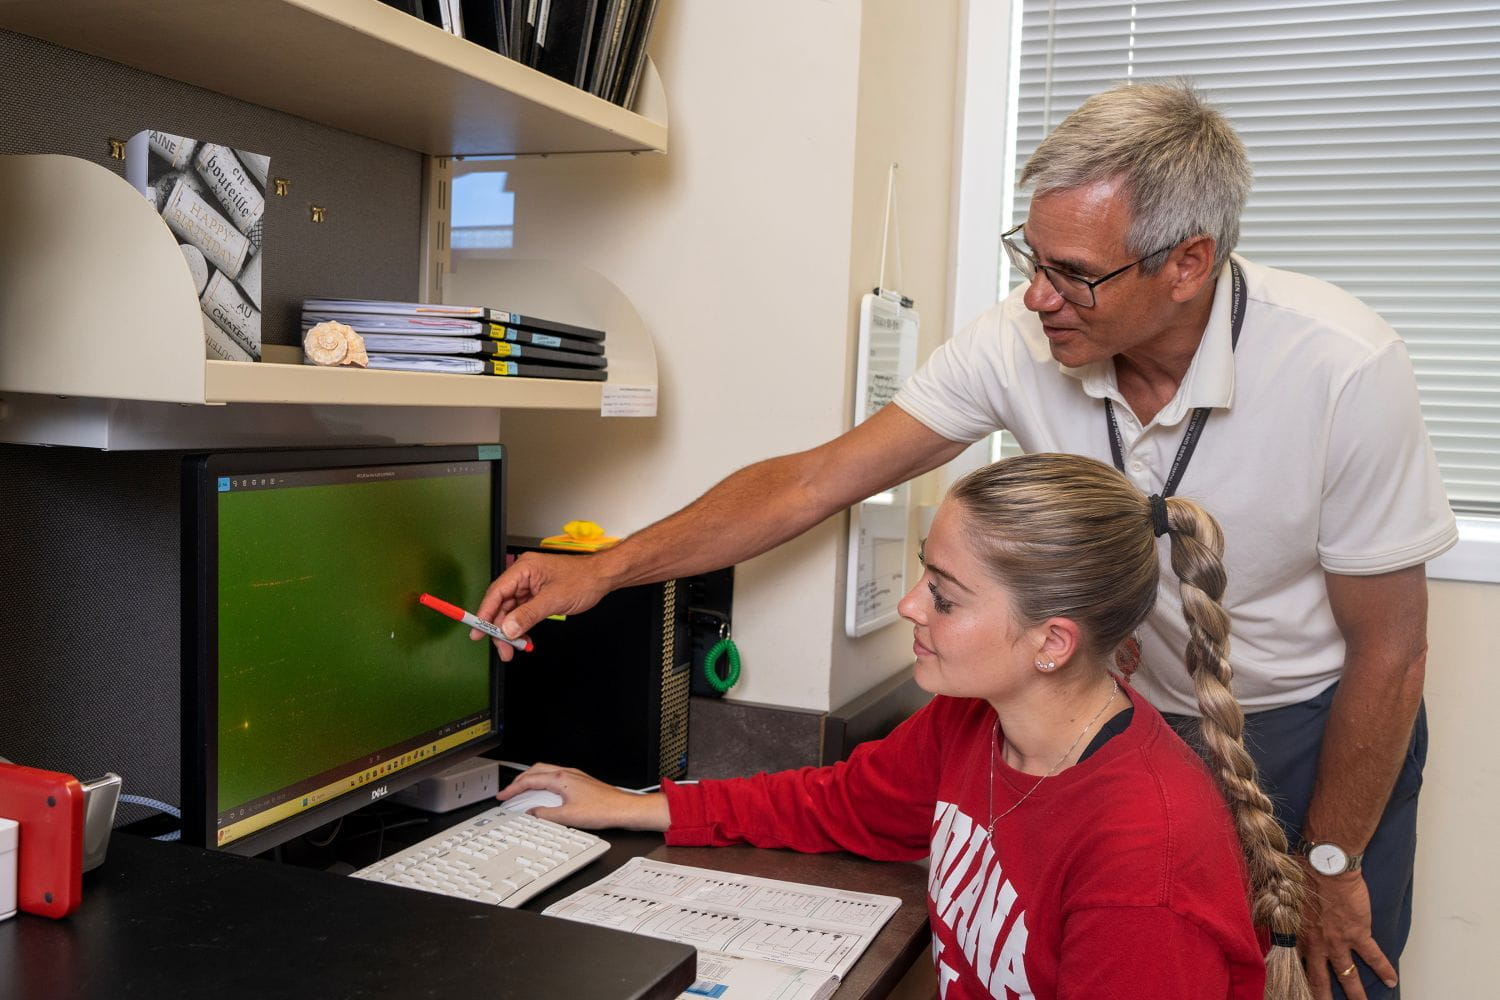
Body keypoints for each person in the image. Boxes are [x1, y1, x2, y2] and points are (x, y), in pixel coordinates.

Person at [477, 80, 1456, 999]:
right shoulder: (1021, 342)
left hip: (1309, 726)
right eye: (1030, 258)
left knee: (1319, 966)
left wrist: (1334, 859)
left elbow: (1392, 648)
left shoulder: (1342, 365)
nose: (1037, 297)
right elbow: (813, 480)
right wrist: (602, 570)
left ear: (1187, 263)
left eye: (1073, 275)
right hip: (1128, 717)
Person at [501, 454, 1311, 999]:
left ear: (1051, 643)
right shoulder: (972, 722)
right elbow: (840, 804)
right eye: (926, 573)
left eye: (946, 596)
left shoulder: (1145, 866)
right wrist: (637, 805)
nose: (911, 606)